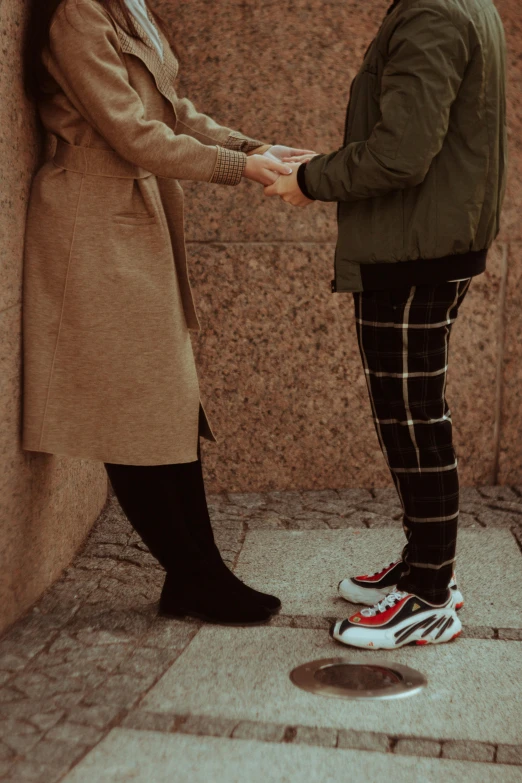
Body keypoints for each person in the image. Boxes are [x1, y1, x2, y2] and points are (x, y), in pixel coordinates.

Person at [21, 0, 314, 626]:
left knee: (170, 405)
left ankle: (198, 572)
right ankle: (194, 577)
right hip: (92, 226)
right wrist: (239, 168)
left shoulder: (126, 6)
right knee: (134, 407)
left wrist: (254, 146)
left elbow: (174, 113)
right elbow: (132, 132)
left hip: (134, 219)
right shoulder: (78, 16)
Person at [267, 0, 507, 649]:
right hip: (424, 241)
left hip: (413, 250)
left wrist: (312, 180)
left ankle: (431, 594)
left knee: (413, 417)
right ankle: (426, 563)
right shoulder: (458, 5)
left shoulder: (434, 12)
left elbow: (402, 155)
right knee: (412, 412)